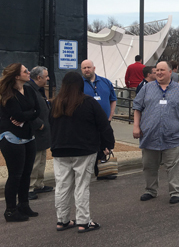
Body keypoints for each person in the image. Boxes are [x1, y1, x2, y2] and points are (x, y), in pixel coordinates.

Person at [50, 71, 115, 232]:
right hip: (84, 149)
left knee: (62, 186)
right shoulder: (89, 102)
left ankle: (62, 220)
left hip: (60, 149)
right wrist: (108, 144)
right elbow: (104, 125)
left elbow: (51, 125)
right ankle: (84, 221)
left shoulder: (55, 103)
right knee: (81, 186)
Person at [133, 61, 179, 204]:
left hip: (174, 137)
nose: (159, 73)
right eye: (157, 70)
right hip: (150, 136)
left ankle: (175, 192)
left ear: (170, 72)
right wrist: (136, 126)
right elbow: (137, 107)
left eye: (162, 70)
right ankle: (150, 190)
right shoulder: (147, 89)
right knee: (149, 166)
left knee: (174, 166)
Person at [0, 63, 40, 222]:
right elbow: (16, 114)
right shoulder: (7, 94)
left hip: (28, 135)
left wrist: (25, 116)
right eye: (25, 71)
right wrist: (26, 115)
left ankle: (24, 204)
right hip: (11, 137)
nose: (28, 72)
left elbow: (37, 110)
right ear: (17, 76)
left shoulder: (29, 89)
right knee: (15, 174)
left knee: (26, 173)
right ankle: (10, 210)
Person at [81, 60, 118, 180]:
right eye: (84, 68)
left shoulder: (105, 82)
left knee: (105, 146)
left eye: (88, 67)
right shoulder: (79, 84)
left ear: (94, 68)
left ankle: (102, 172)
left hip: (105, 122)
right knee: (90, 147)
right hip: (87, 124)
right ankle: (87, 172)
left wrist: (110, 116)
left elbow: (113, 99)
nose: (87, 69)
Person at [26, 66, 53, 200]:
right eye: (46, 76)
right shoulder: (29, 90)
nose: (48, 78)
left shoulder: (38, 90)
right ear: (39, 77)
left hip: (43, 132)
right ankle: (29, 187)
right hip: (36, 131)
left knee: (42, 159)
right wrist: (39, 124)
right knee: (35, 161)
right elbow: (28, 110)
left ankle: (38, 184)